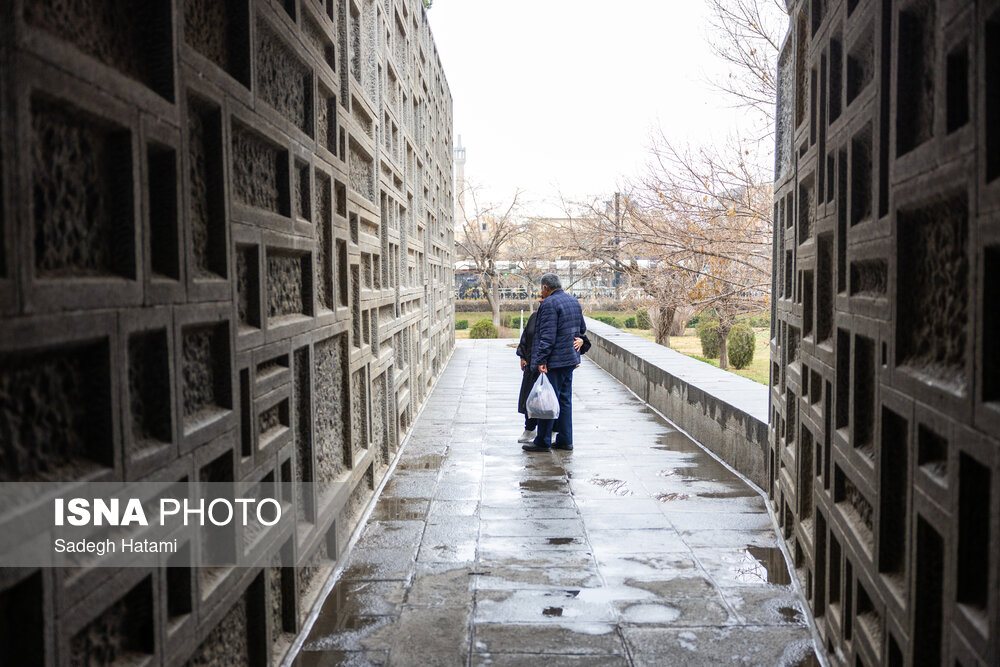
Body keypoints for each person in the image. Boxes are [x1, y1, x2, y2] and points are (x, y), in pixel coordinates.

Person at [524, 273, 586, 452]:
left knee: (546, 399)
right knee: (565, 400)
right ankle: (565, 440)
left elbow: (547, 336)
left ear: (545, 287)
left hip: (554, 361)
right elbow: (582, 329)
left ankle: (543, 441)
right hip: (570, 360)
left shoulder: (549, 304)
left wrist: (541, 359)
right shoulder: (573, 301)